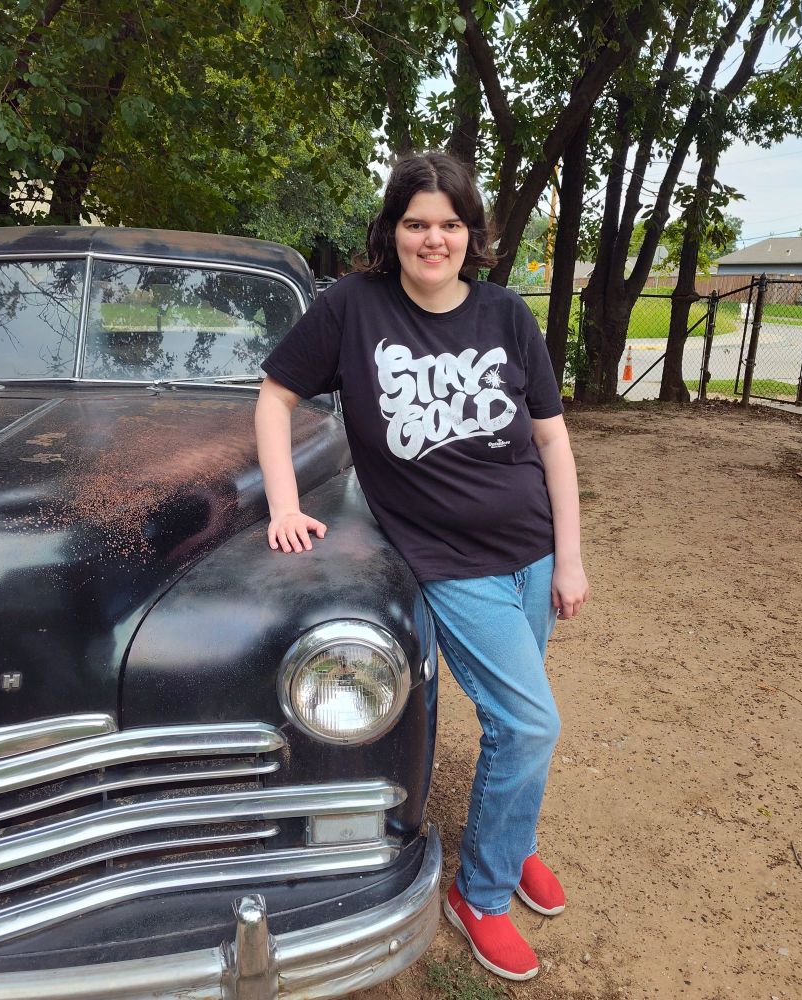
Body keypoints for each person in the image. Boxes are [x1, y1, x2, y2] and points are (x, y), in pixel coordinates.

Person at [255, 151, 589, 982]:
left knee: (519, 721)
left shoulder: (506, 313)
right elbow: (274, 396)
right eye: (416, 224)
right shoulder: (353, 307)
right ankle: (481, 895)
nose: (432, 239)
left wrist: (571, 557)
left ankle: (513, 840)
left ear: (471, 233)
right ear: (393, 229)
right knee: (531, 724)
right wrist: (284, 504)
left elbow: (552, 441)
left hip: (532, 552)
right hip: (450, 563)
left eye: (449, 224)